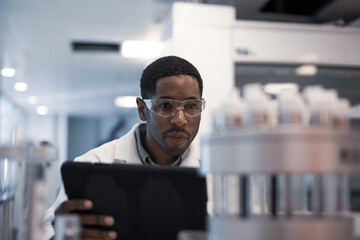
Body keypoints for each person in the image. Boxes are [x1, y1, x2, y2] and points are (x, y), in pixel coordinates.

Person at [42, 55, 205, 239]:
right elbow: (44, 230)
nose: (180, 120)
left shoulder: (216, 171)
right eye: (166, 105)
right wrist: (62, 235)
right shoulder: (93, 164)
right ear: (142, 110)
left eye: (192, 106)